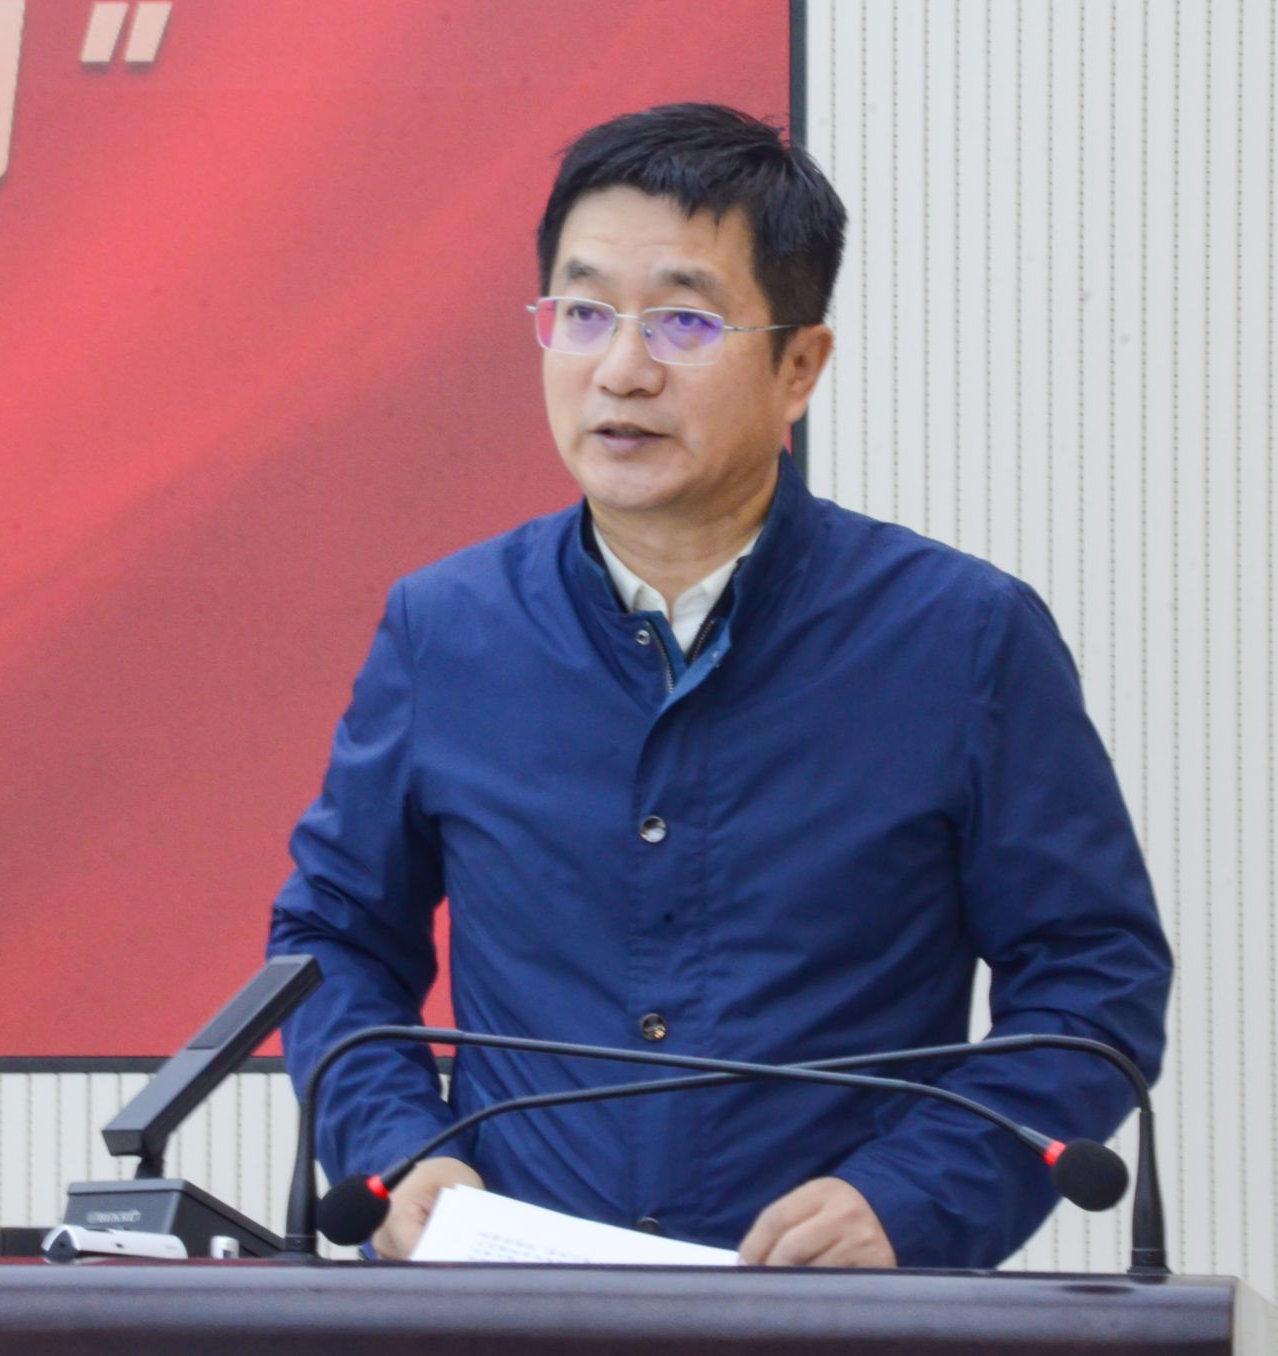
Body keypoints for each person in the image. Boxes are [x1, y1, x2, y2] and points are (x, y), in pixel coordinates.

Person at [267, 102, 1172, 1269]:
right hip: (510, 1300)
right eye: (582, 313)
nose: (621, 370)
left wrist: (911, 1197)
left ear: (799, 367)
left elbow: (1091, 978)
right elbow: (332, 937)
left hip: (828, 1315)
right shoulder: (446, 631)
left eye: (683, 322)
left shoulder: (961, 639)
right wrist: (400, 1152)